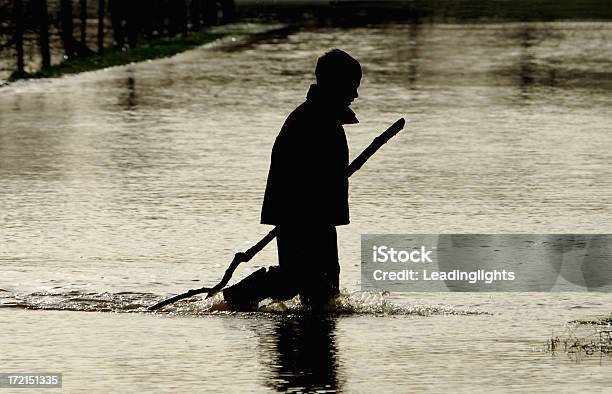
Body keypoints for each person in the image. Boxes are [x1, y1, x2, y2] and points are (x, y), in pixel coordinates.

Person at [223, 49, 362, 309]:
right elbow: (297, 176)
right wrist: (306, 211)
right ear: (335, 84)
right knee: (296, 279)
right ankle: (234, 300)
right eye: (351, 86)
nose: (355, 95)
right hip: (303, 216)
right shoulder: (311, 120)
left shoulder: (322, 118)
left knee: (323, 289)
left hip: (317, 216)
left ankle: (315, 334)